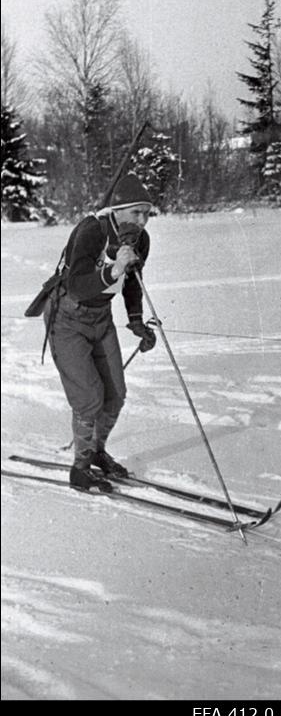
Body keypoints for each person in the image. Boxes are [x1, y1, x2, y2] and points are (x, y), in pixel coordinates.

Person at [44, 173, 157, 492]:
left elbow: (133, 282)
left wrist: (136, 322)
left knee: (116, 393)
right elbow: (79, 286)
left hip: (101, 316)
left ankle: (96, 453)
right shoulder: (91, 230)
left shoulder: (140, 240)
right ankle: (80, 470)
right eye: (137, 212)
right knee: (89, 397)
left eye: (147, 213)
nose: (143, 220)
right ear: (117, 209)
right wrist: (114, 269)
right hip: (66, 315)